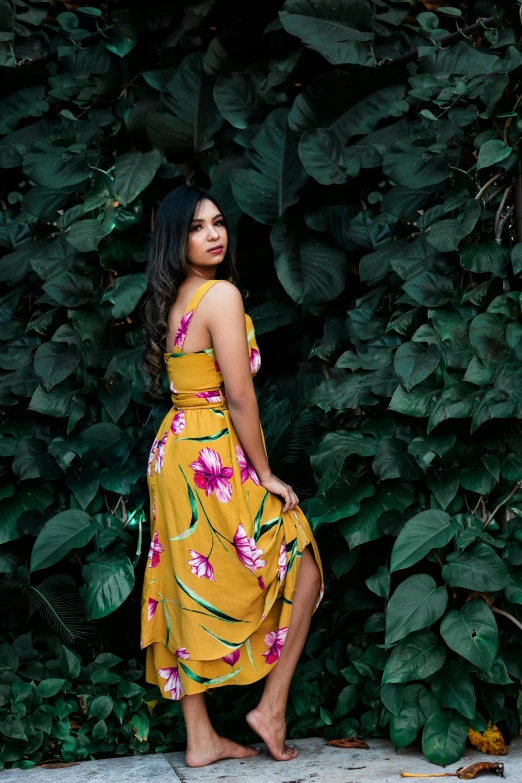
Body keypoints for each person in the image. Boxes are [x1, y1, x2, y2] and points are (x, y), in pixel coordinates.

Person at [140, 184, 324, 768]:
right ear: (176, 238)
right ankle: (270, 707)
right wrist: (265, 473)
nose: (215, 234)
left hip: (175, 448)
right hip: (208, 453)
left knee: (180, 583)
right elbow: (241, 399)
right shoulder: (220, 296)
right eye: (198, 227)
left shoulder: (179, 297)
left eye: (219, 223)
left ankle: (201, 737)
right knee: (302, 557)